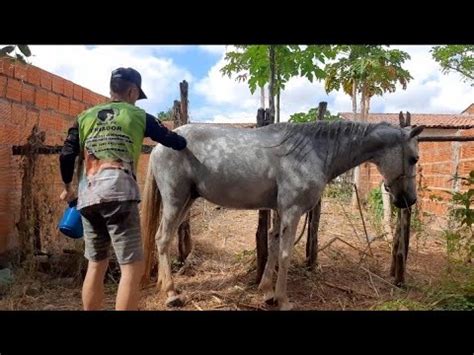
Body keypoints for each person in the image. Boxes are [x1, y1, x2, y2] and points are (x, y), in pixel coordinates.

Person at [59, 67, 187, 310]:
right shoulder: (139, 116)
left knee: (96, 264)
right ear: (132, 91)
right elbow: (174, 141)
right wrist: (186, 140)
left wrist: (68, 188)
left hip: (88, 198)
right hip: (120, 194)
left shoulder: (84, 116)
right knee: (132, 267)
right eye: (137, 95)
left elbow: (66, 155)